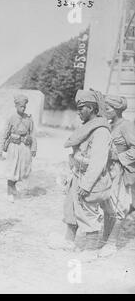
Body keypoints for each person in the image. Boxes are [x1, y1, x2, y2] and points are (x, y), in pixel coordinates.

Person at [58, 90, 112, 251]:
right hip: (78, 175)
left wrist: (86, 185)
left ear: (91, 108)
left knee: (88, 212)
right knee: (71, 208)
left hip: (92, 180)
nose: (79, 111)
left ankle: (90, 250)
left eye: (82, 108)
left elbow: (98, 162)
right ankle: (69, 242)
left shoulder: (101, 131)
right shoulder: (87, 127)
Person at [98, 95, 135, 257]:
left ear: (118, 109)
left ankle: (112, 243)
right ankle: (105, 239)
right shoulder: (110, 126)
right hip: (108, 170)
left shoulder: (126, 125)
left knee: (119, 206)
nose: (106, 111)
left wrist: (118, 157)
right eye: (104, 108)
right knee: (107, 206)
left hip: (121, 171)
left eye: (109, 108)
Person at [0, 95, 37, 203]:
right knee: (12, 169)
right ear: (16, 106)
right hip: (13, 147)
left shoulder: (28, 118)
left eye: (24, 107)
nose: (23, 109)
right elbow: (4, 134)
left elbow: (32, 133)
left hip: (24, 147)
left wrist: (33, 148)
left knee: (23, 170)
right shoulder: (11, 118)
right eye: (20, 106)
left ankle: (14, 189)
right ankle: (10, 192)